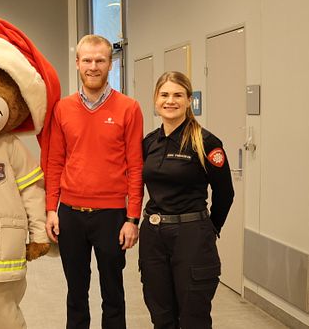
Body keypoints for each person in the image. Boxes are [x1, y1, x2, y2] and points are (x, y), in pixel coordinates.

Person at [45, 34, 144, 329]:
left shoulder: (129, 108)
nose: (93, 66)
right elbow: (54, 162)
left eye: (100, 60)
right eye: (87, 60)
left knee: (113, 294)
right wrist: (51, 208)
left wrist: (133, 218)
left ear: (110, 64)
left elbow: (136, 167)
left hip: (112, 216)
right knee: (76, 294)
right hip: (70, 215)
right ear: (77, 63)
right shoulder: (63, 109)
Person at [139, 71, 234, 329]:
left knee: (193, 316)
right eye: (164, 95)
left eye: (178, 95)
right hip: (153, 236)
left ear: (189, 100)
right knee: (160, 313)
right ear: (155, 100)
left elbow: (225, 193)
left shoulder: (205, 142)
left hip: (191, 235)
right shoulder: (149, 142)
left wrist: (209, 228)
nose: (171, 101)